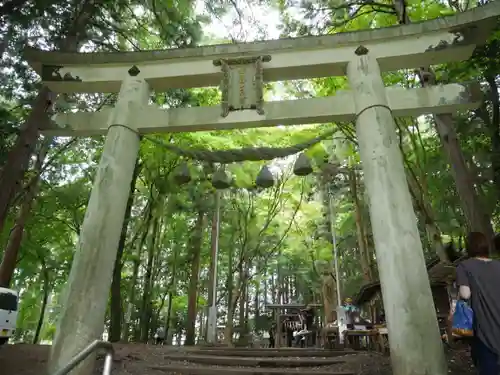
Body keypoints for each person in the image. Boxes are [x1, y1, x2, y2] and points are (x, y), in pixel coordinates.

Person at [456, 231, 500, 375]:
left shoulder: (464, 266)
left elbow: (465, 294)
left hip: (484, 324)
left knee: (488, 365)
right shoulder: (498, 265)